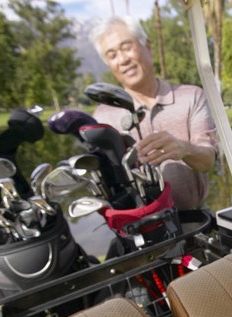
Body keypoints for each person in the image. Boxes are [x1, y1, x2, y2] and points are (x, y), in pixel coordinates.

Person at [89, 16, 218, 210]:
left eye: (126, 47)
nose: (123, 60)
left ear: (147, 46)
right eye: (112, 55)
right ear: (108, 64)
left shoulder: (192, 96)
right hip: (138, 228)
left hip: (195, 221)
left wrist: (184, 149)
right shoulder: (102, 117)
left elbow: (208, 161)